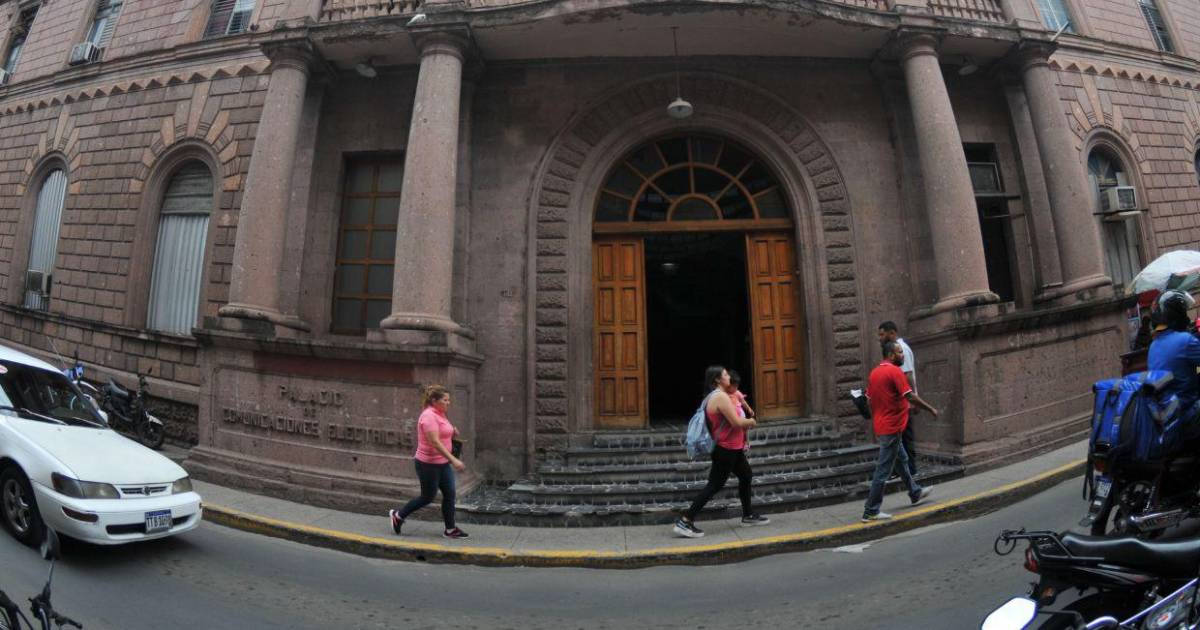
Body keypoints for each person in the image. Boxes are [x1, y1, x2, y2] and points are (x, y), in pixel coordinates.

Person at [673, 365, 770, 538]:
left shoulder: (720, 395)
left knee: (746, 475)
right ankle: (685, 521)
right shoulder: (720, 397)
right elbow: (736, 423)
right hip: (725, 449)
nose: (729, 376)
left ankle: (748, 515)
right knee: (714, 485)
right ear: (718, 379)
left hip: (733, 448)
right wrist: (751, 422)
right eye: (725, 374)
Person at [862, 340, 938, 522]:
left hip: (883, 426)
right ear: (890, 355)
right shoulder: (894, 371)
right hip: (892, 428)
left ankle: (914, 492)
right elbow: (909, 396)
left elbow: (868, 401)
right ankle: (871, 510)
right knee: (883, 470)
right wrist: (930, 409)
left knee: (902, 460)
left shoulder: (874, 373)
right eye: (899, 352)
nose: (902, 355)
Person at [389, 384, 469, 539]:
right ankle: (398, 516)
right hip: (428, 465)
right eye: (445, 400)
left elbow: (442, 432)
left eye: (449, 400)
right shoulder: (428, 416)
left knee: (450, 494)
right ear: (434, 401)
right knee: (427, 497)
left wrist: (453, 433)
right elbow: (435, 442)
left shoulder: (440, 413)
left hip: (442, 463)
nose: (448, 403)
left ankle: (450, 529)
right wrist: (454, 459)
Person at [878, 321, 919, 478]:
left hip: (905, 403)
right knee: (899, 438)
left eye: (882, 334)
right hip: (900, 403)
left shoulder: (901, 350)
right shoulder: (894, 350)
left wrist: (913, 400)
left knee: (905, 437)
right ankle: (902, 470)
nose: (880, 338)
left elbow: (907, 375)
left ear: (892, 333)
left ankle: (910, 470)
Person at [1147, 291, 1200, 410]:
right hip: (1186, 409)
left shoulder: (1153, 345)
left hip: (1165, 410)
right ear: (1178, 313)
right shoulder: (1185, 340)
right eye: (1184, 311)